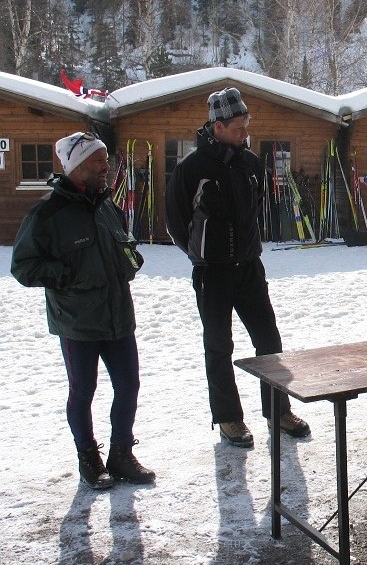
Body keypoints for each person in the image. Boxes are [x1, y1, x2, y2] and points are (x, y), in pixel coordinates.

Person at [165, 87, 310, 447]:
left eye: (247, 125)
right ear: (218, 127)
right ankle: (229, 418)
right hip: (211, 273)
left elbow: (255, 207)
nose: (245, 133)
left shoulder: (250, 163)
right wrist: (201, 253)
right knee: (219, 346)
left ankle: (277, 410)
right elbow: (176, 223)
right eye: (238, 127)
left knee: (269, 341)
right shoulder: (191, 169)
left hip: (249, 268)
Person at [11, 131, 155, 489]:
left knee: (129, 386)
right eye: (98, 160)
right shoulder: (47, 213)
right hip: (77, 321)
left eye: (106, 159)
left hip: (118, 316)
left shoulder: (108, 206)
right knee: (83, 390)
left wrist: (130, 260)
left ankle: (121, 454)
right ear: (75, 166)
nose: (106, 166)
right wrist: (69, 275)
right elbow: (23, 267)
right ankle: (88, 457)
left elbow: (124, 247)